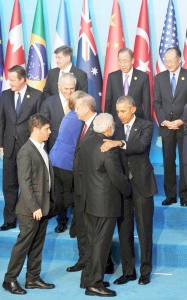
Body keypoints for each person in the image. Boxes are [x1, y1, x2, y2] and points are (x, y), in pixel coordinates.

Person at [101, 96, 157, 285]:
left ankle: (145, 271)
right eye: (117, 111)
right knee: (124, 231)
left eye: (123, 111)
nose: (119, 115)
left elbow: (141, 146)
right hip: (123, 187)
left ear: (133, 109)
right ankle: (128, 271)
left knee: (144, 230)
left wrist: (119, 143)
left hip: (142, 185)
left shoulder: (146, 126)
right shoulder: (114, 128)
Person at [2, 113, 55, 295]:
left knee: (37, 245)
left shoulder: (41, 147)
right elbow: (24, 183)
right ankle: (9, 280)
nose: (50, 131)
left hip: (43, 207)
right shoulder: (26, 151)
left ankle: (33, 278)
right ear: (36, 129)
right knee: (23, 245)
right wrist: (35, 207)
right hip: (30, 210)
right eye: (47, 129)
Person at [79, 113, 131, 297]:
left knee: (92, 242)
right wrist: (128, 191)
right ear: (109, 128)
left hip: (88, 201)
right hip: (105, 204)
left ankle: (87, 278)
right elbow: (117, 178)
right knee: (101, 244)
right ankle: (94, 284)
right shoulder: (108, 149)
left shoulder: (86, 142)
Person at [66, 95, 114, 275]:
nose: (75, 110)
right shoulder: (83, 126)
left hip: (95, 189)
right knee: (82, 225)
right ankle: (84, 259)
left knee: (97, 230)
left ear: (88, 107)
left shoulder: (101, 125)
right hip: (80, 187)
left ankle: (101, 263)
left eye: (78, 107)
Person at [0, 65, 42, 231]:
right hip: (9, 146)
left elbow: (39, 123)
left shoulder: (37, 96)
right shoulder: (5, 95)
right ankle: (9, 220)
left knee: (29, 182)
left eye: (13, 80)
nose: (10, 82)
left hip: (28, 147)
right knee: (8, 184)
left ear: (23, 79)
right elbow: (1, 120)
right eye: (9, 79)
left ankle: (29, 217)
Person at [40, 72, 76, 233]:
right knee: (59, 191)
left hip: (76, 156)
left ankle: (77, 222)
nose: (69, 92)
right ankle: (61, 220)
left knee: (76, 190)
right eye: (66, 88)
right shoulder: (48, 103)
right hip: (56, 157)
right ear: (59, 87)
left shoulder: (80, 101)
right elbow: (43, 131)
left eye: (72, 88)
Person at [154, 47, 187, 206]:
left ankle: (185, 195)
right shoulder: (159, 78)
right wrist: (164, 121)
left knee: (185, 161)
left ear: (179, 60)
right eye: (165, 60)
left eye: (171, 60)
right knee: (168, 161)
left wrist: (182, 120)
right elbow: (157, 102)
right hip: (167, 127)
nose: (168, 63)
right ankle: (171, 195)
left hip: (184, 126)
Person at [49, 91, 85, 233]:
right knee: (74, 195)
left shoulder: (69, 115)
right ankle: (75, 228)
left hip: (56, 159)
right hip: (66, 162)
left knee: (60, 194)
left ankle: (61, 223)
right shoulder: (78, 118)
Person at [105, 47, 151, 124]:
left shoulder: (142, 77)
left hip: (136, 121)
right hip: (117, 122)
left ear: (132, 61)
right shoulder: (112, 77)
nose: (122, 64)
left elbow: (146, 103)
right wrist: (106, 122)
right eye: (120, 61)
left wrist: (147, 125)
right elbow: (108, 101)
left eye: (125, 61)